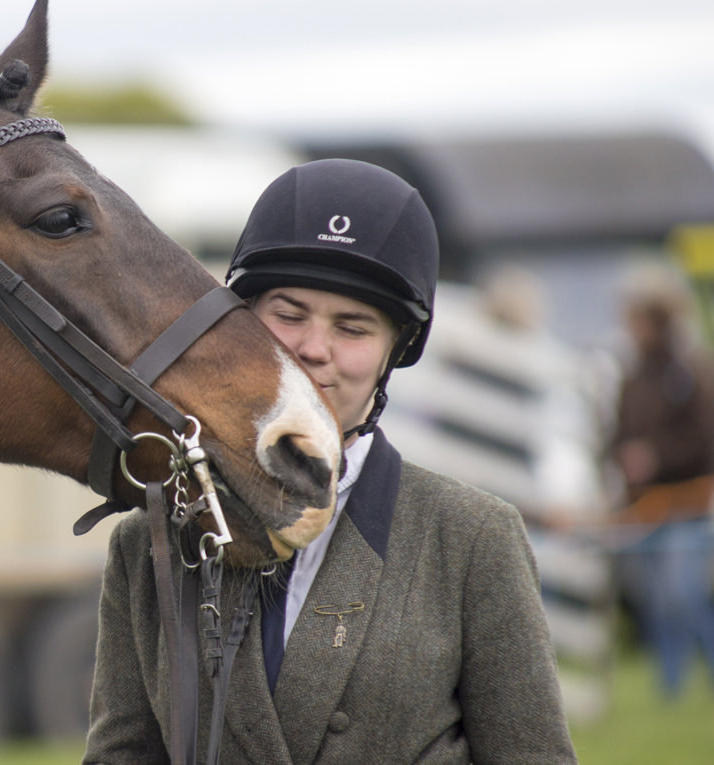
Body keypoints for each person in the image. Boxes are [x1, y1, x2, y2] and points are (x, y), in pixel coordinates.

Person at [84, 159, 576, 764]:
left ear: (393, 351)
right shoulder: (150, 541)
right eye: (288, 315)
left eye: (353, 327)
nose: (314, 350)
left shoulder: (474, 538)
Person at [610, 262, 714, 698]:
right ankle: (670, 687)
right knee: (656, 601)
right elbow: (616, 432)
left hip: (686, 501)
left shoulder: (691, 369)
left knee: (680, 594)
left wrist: (656, 455)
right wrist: (622, 456)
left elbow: (703, 436)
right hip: (643, 505)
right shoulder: (633, 375)